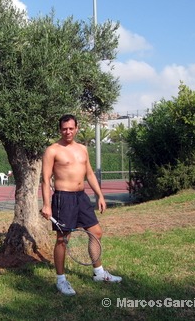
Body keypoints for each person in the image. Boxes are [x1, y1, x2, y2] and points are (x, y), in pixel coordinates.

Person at [41, 114, 122, 296]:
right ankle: (61, 280)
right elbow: (45, 179)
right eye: (64, 129)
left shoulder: (83, 149)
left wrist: (100, 195)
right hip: (63, 198)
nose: (67, 131)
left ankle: (99, 273)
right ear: (60, 130)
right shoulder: (52, 150)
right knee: (63, 239)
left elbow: (90, 174)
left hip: (82, 197)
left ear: (76, 128)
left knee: (96, 232)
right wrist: (47, 204)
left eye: (71, 128)